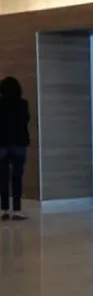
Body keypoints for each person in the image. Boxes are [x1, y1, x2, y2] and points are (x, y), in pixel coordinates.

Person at [0, 76, 31, 221]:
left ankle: (4, 210)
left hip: (2, 143)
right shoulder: (23, 104)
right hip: (18, 143)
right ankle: (17, 210)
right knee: (17, 177)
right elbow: (26, 120)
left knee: (3, 178)